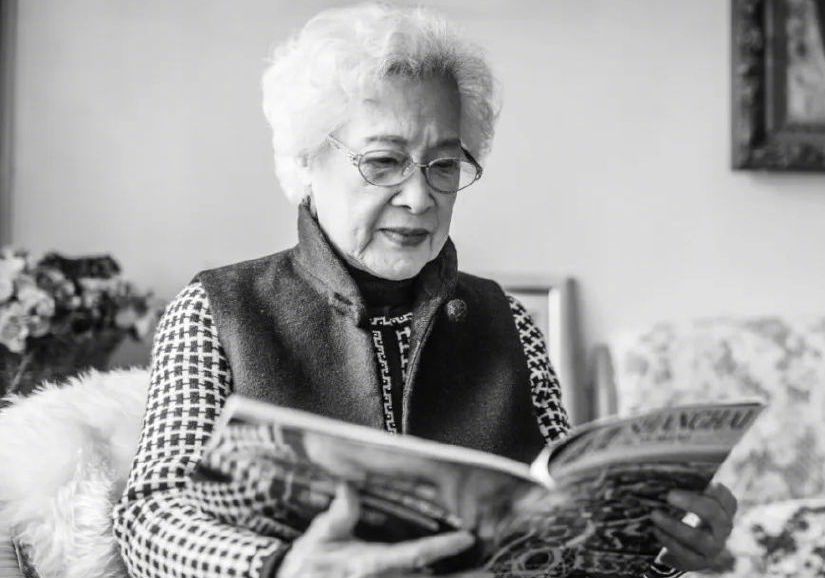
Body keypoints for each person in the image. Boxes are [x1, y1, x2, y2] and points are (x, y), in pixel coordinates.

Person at [111, 4, 737, 578]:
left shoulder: (507, 321)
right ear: (305, 160)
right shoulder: (218, 310)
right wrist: (279, 569)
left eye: (443, 165)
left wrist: (662, 553)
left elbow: (568, 540)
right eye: (383, 161)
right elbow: (149, 518)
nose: (419, 197)